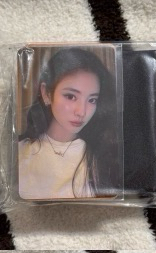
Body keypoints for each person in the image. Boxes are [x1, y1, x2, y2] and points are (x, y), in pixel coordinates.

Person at [18, 48, 118, 200]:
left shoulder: (102, 158)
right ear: (46, 94)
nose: (81, 111)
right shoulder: (20, 152)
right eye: (71, 96)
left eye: (92, 100)